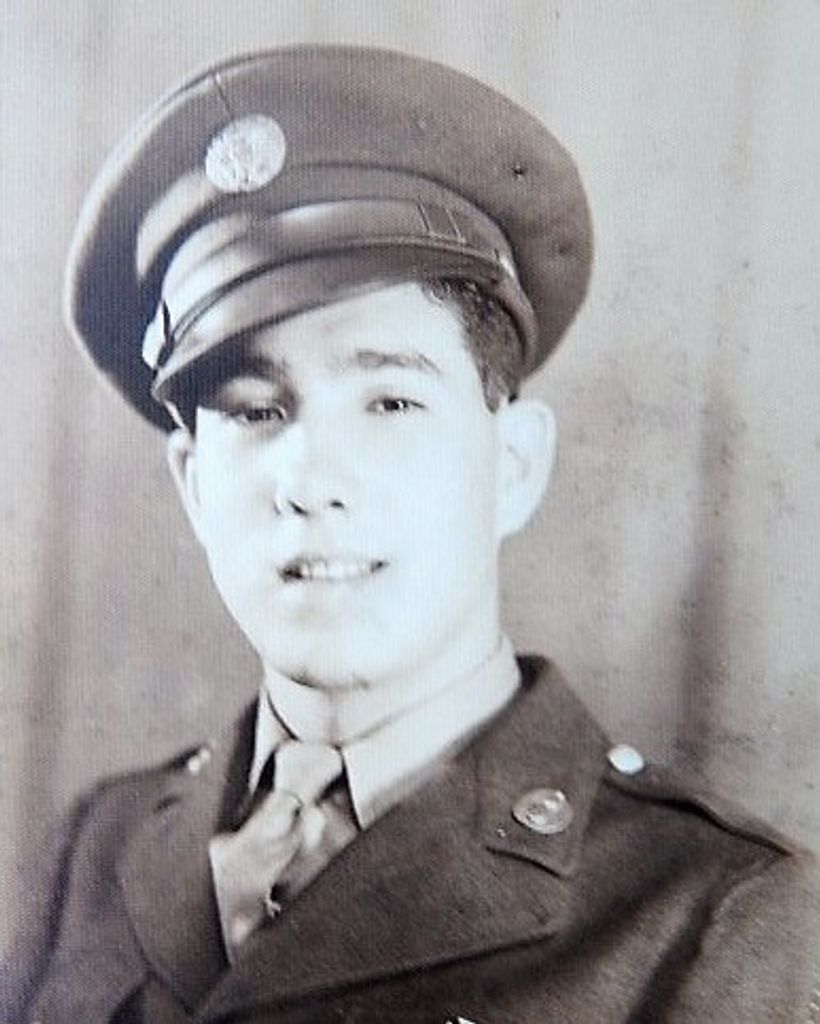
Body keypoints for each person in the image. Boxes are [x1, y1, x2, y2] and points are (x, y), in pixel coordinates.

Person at [2, 44, 818, 1024]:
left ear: (512, 464)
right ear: (192, 484)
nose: (311, 482)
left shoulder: (715, 914)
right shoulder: (93, 852)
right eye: (256, 411)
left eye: (390, 402)